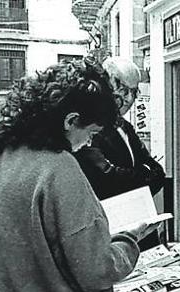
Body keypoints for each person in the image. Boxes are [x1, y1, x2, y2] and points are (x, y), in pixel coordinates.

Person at [0, 58, 157, 292]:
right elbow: (96, 268)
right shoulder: (58, 169)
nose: (89, 143)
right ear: (71, 120)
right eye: (91, 132)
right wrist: (129, 240)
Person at [74, 56, 165, 249]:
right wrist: (145, 172)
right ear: (106, 87)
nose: (129, 99)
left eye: (134, 91)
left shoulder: (127, 127)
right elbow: (107, 179)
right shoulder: (89, 129)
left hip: (144, 232)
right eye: (123, 90)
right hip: (112, 234)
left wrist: (135, 176)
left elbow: (159, 174)